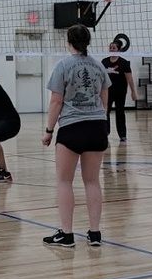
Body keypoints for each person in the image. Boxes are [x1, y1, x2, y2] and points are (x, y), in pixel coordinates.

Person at [42, 24, 110, 248]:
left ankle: (67, 234)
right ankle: (95, 233)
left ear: (68, 41)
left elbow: (56, 101)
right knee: (92, 181)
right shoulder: (99, 66)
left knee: (64, 181)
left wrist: (49, 131)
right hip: (97, 125)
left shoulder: (63, 66)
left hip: (72, 127)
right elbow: (104, 101)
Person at [101, 42, 137, 143]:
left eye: (114, 48)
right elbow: (101, 78)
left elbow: (129, 79)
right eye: (110, 47)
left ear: (118, 50)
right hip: (108, 91)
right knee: (105, 112)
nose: (112, 49)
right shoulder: (104, 62)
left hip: (120, 92)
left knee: (120, 112)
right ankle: (105, 133)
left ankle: (122, 134)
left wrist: (133, 92)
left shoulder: (124, 63)